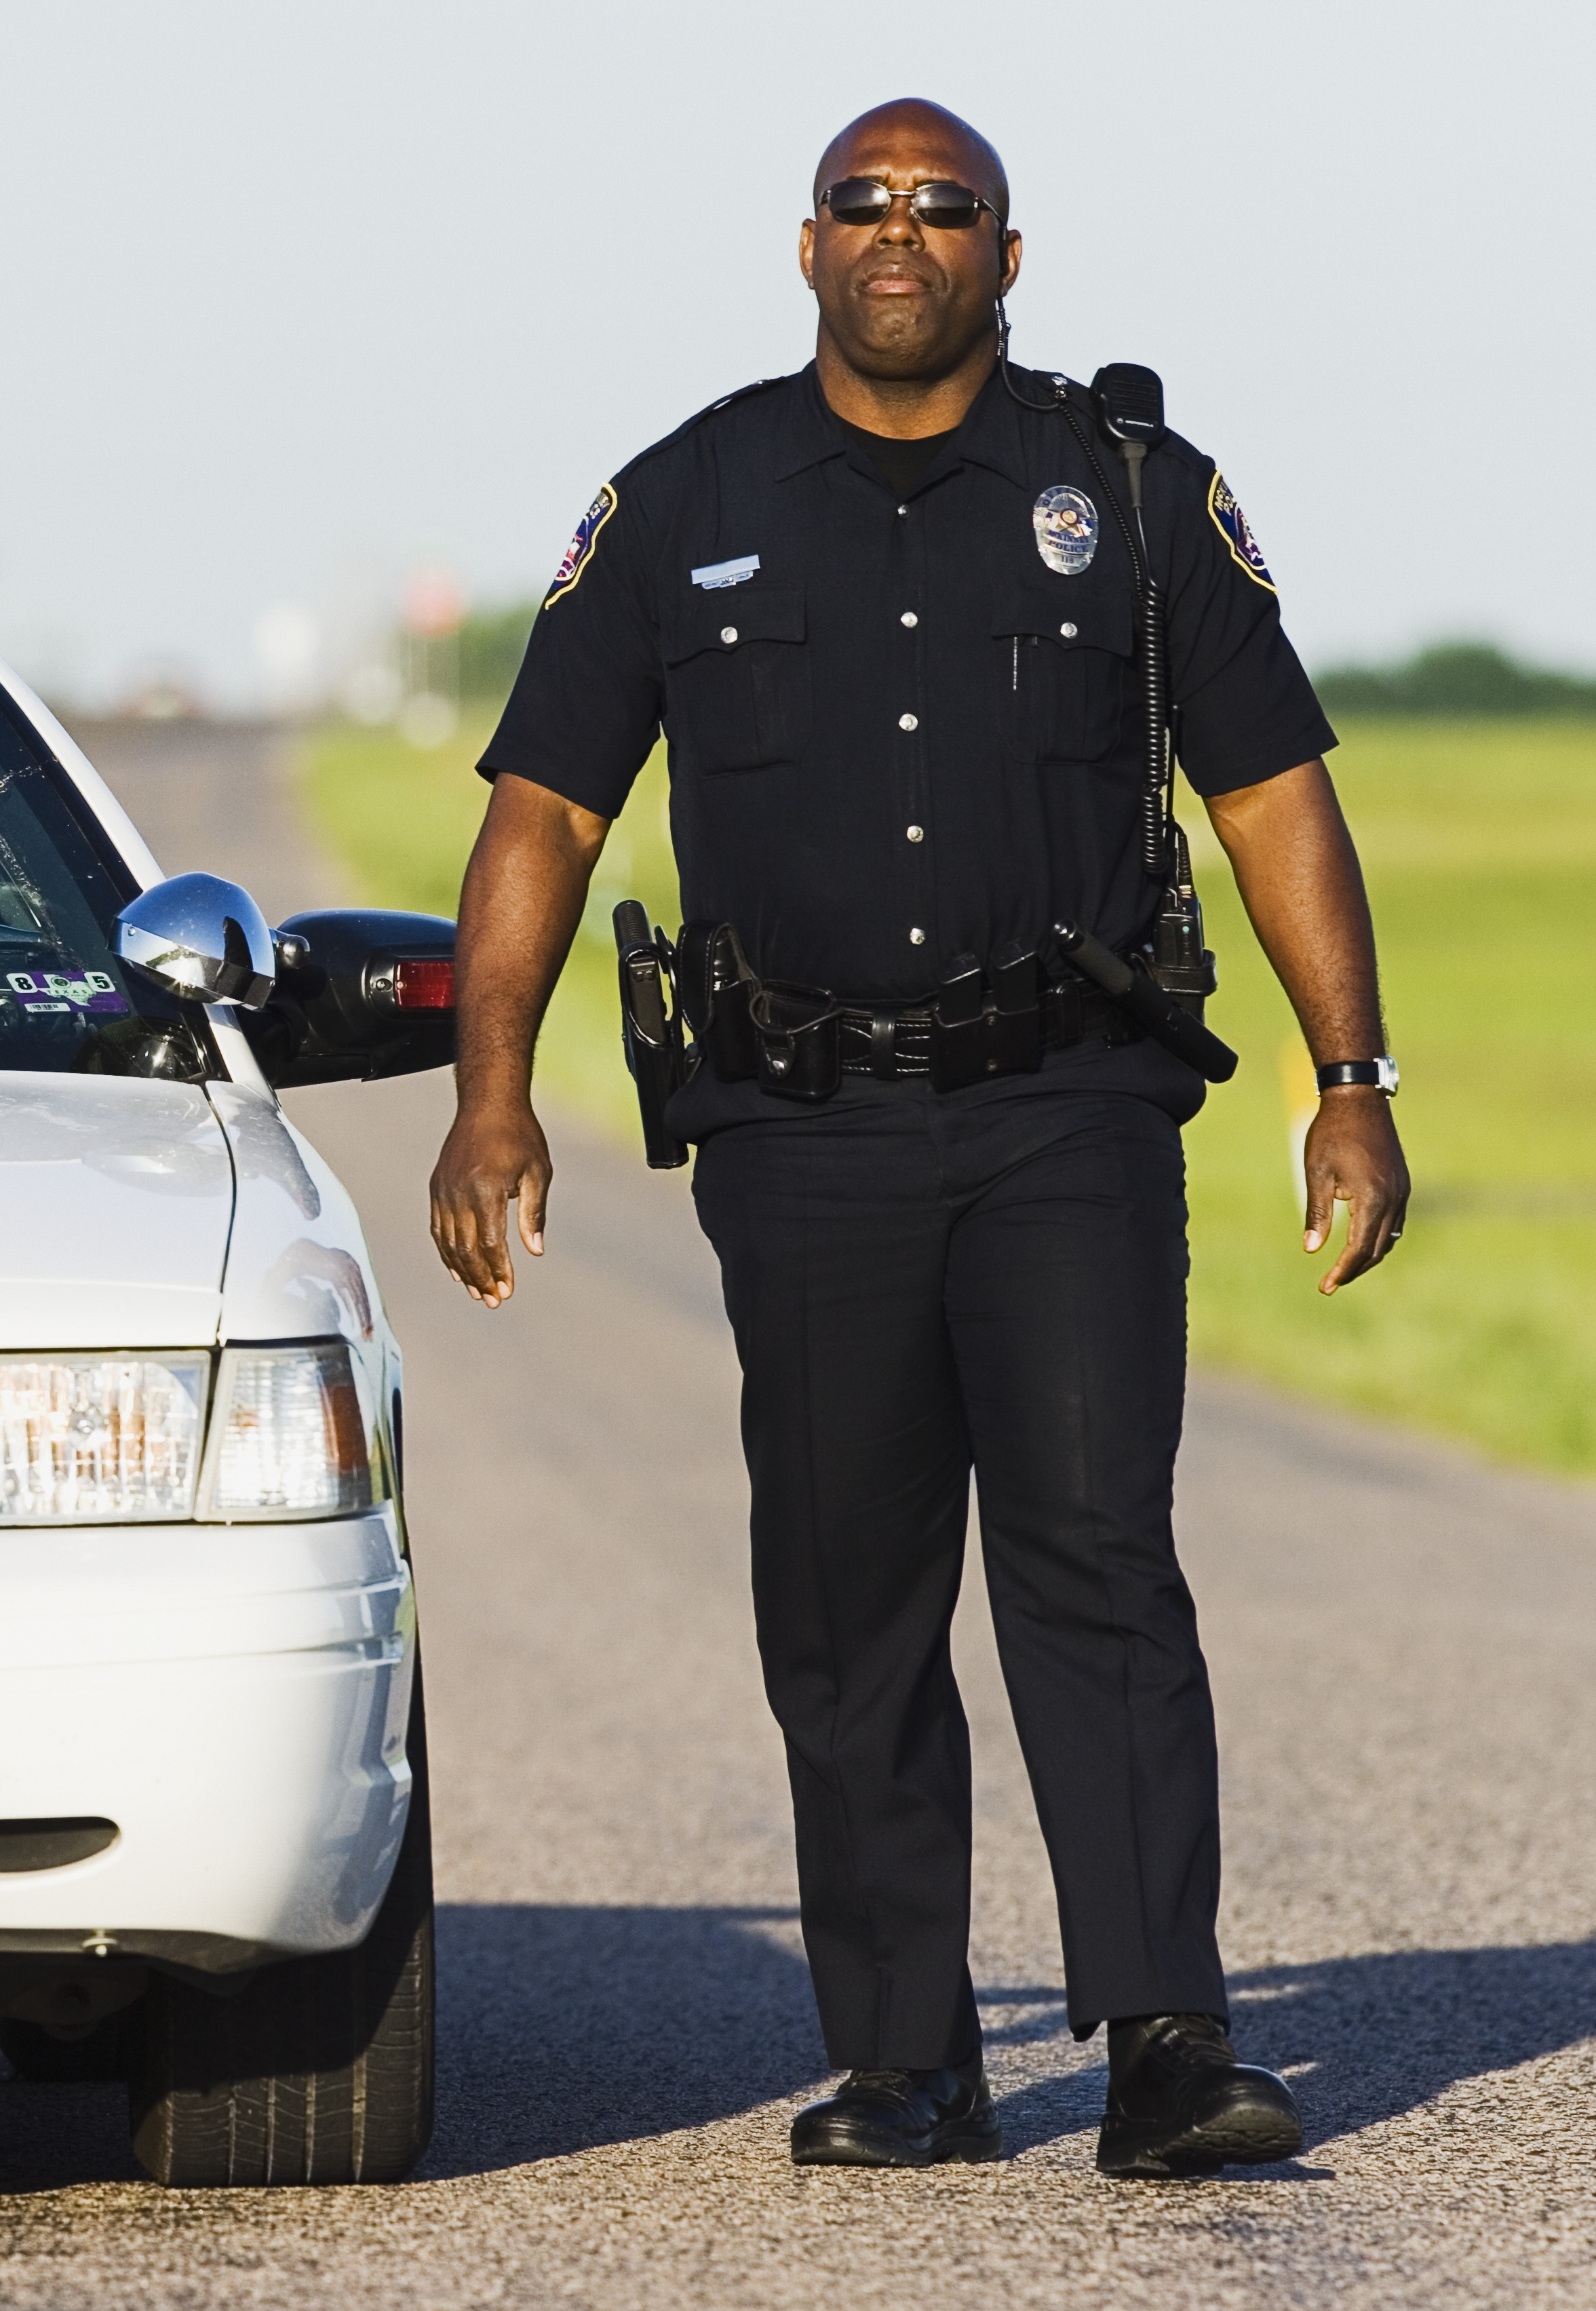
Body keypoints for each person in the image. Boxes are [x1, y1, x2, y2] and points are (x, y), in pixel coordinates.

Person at [428, 97, 1409, 2178]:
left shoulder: (1129, 496)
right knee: (849, 1590)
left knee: (1095, 1559)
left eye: (941, 207)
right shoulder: (682, 497)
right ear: (805, 249)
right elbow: (545, 813)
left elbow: (1273, 799)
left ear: (1007, 255)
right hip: (800, 1129)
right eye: (864, 206)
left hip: (1067, 1108)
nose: (901, 236)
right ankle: (907, 2057)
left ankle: (1161, 2039)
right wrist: (489, 1093)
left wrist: (1351, 1082)